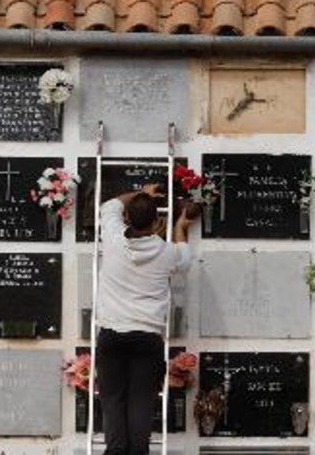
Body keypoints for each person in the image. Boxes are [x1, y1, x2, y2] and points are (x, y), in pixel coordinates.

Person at [95, 184, 194, 455]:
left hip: (112, 335)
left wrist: (141, 194)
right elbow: (185, 258)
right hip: (147, 339)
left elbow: (109, 205)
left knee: (113, 401)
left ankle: (115, 451)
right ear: (156, 221)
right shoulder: (167, 253)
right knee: (141, 401)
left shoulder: (113, 239)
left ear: (127, 218)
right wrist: (180, 226)